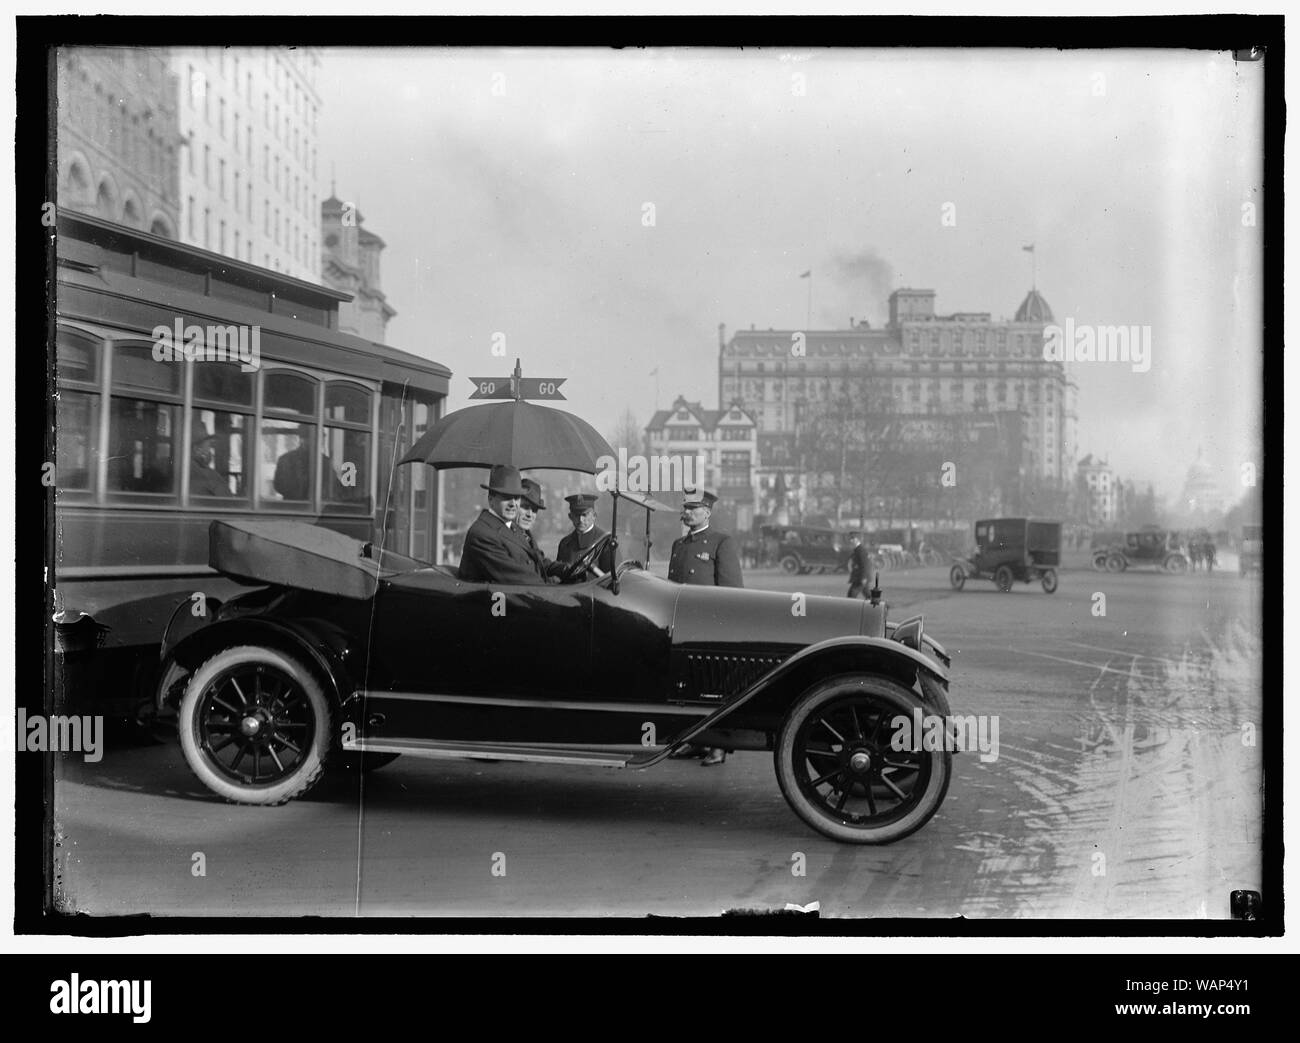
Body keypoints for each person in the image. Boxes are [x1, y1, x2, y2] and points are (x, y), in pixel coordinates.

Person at [667, 489, 743, 766]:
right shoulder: (679, 545)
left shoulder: (721, 542)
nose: (686, 512)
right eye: (685, 508)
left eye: (693, 508)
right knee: (688, 687)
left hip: (711, 628)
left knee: (714, 688)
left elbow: (732, 592)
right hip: (684, 627)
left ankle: (718, 746)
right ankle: (695, 741)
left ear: (707, 512)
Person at [458, 465, 550, 585]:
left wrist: (565, 571)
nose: (513, 504)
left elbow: (539, 562)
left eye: (516, 498)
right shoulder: (482, 534)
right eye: (506, 497)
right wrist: (553, 589)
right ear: (491, 499)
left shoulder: (513, 528)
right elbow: (518, 578)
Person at [515, 478, 565, 582]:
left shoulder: (527, 535)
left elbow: (541, 563)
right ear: (514, 505)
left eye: (534, 510)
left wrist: (564, 568)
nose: (530, 515)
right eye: (525, 507)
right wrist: (550, 583)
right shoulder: (506, 535)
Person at [556, 493, 614, 576]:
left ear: (594, 516)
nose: (580, 520)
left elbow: (612, 579)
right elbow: (558, 576)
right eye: (576, 515)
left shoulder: (606, 542)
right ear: (570, 516)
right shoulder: (564, 543)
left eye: (584, 515)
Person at [189, 420, 231, 497]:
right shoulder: (201, 472)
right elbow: (226, 497)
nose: (210, 450)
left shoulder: (191, 468)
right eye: (208, 446)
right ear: (197, 449)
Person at [845, 532, 871, 598]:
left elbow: (865, 565)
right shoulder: (856, 550)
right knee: (868, 595)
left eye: (852, 538)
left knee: (851, 595)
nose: (850, 540)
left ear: (857, 539)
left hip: (860, 578)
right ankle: (880, 604)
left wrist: (863, 577)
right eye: (850, 538)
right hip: (859, 578)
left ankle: (879, 603)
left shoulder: (861, 550)